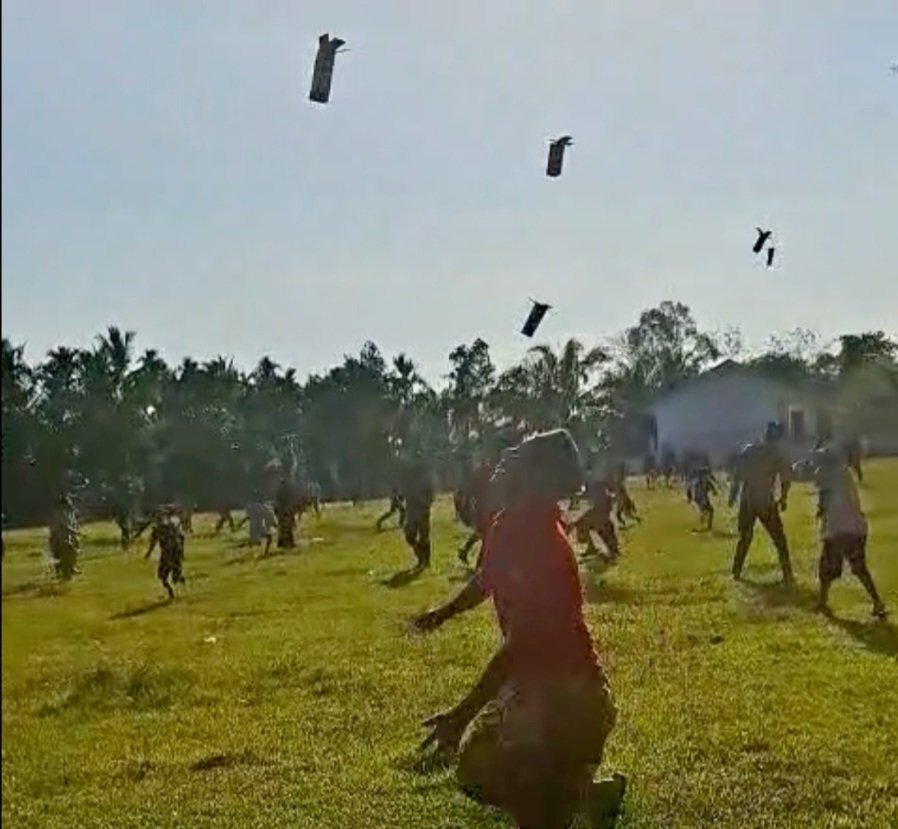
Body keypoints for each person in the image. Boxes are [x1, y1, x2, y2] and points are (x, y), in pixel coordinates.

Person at [411, 430, 626, 829]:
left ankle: (566, 793)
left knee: (514, 789)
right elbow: (487, 579)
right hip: (539, 692)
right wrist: (443, 612)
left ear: (534, 478)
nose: (505, 461)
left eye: (519, 457)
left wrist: (461, 715)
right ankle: (586, 795)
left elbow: (523, 643)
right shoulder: (510, 524)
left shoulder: (541, 540)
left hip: (571, 702)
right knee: (480, 769)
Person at [813, 447, 886, 619]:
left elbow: (823, 497)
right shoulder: (843, 473)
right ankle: (877, 602)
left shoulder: (827, 475)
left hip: (839, 530)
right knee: (859, 568)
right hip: (856, 528)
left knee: (826, 569)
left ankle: (823, 603)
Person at [728, 422, 794, 587]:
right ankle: (788, 575)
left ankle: (736, 572)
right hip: (766, 502)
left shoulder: (749, 450)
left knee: (744, 538)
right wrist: (783, 498)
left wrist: (733, 496)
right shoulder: (777, 455)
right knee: (780, 540)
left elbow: (737, 475)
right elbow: (786, 479)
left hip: (748, 501)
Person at [571, 476, 620, 562]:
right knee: (582, 523)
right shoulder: (597, 485)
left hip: (601, 518)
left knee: (582, 523)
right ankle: (592, 547)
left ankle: (600, 549)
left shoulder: (595, 485)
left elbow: (588, 496)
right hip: (602, 516)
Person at [400, 454, 435, 568]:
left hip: (422, 509)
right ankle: (421, 556)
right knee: (410, 536)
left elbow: (431, 493)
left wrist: (425, 503)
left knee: (424, 537)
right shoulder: (409, 476)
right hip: (412, 510)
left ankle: (426, 561)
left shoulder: (425, 477)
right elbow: (405, 491)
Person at [144, 506, 186, 599]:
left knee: (165, 575)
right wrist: (182, 551)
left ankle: (177, 585)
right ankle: (174, 587)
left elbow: (153, 542)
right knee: (166, 575)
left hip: (170, 552)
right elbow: (182, 537)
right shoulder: (172, 524)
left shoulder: (164, 527)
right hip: (173, 552)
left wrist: (149, 553)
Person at [48, 493, 80, 581]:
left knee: (73, 552)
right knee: (65, 554)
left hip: (68, 536)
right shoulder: (60, 513)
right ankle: (65, 573)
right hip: (60, 537)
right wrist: (75, 531)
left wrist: (75, 532)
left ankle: (70, 568)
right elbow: (63, 526)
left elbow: (73, 523)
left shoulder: (69, 513)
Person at [689, 464, 718, 531]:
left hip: (699, 499)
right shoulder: (703, 481)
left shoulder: (696, 481)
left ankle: (704, 522)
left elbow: (690, 489)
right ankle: (707, 525)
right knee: (710, 510)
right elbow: (711, 488)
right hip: (701, 499)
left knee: (707, 511)